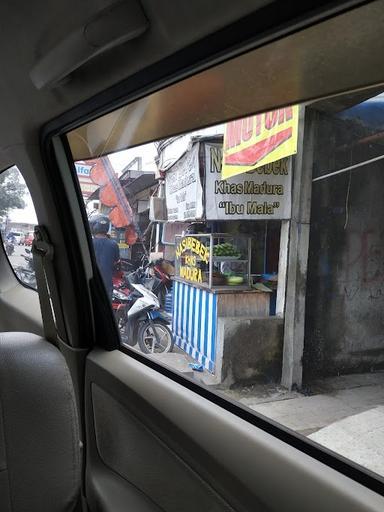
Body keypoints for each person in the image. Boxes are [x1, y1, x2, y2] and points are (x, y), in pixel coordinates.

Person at [90, 215, 120, 299]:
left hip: (91, 283)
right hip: (107, 284)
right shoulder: (113, 244)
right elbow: (116, 264)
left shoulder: (89, 244)